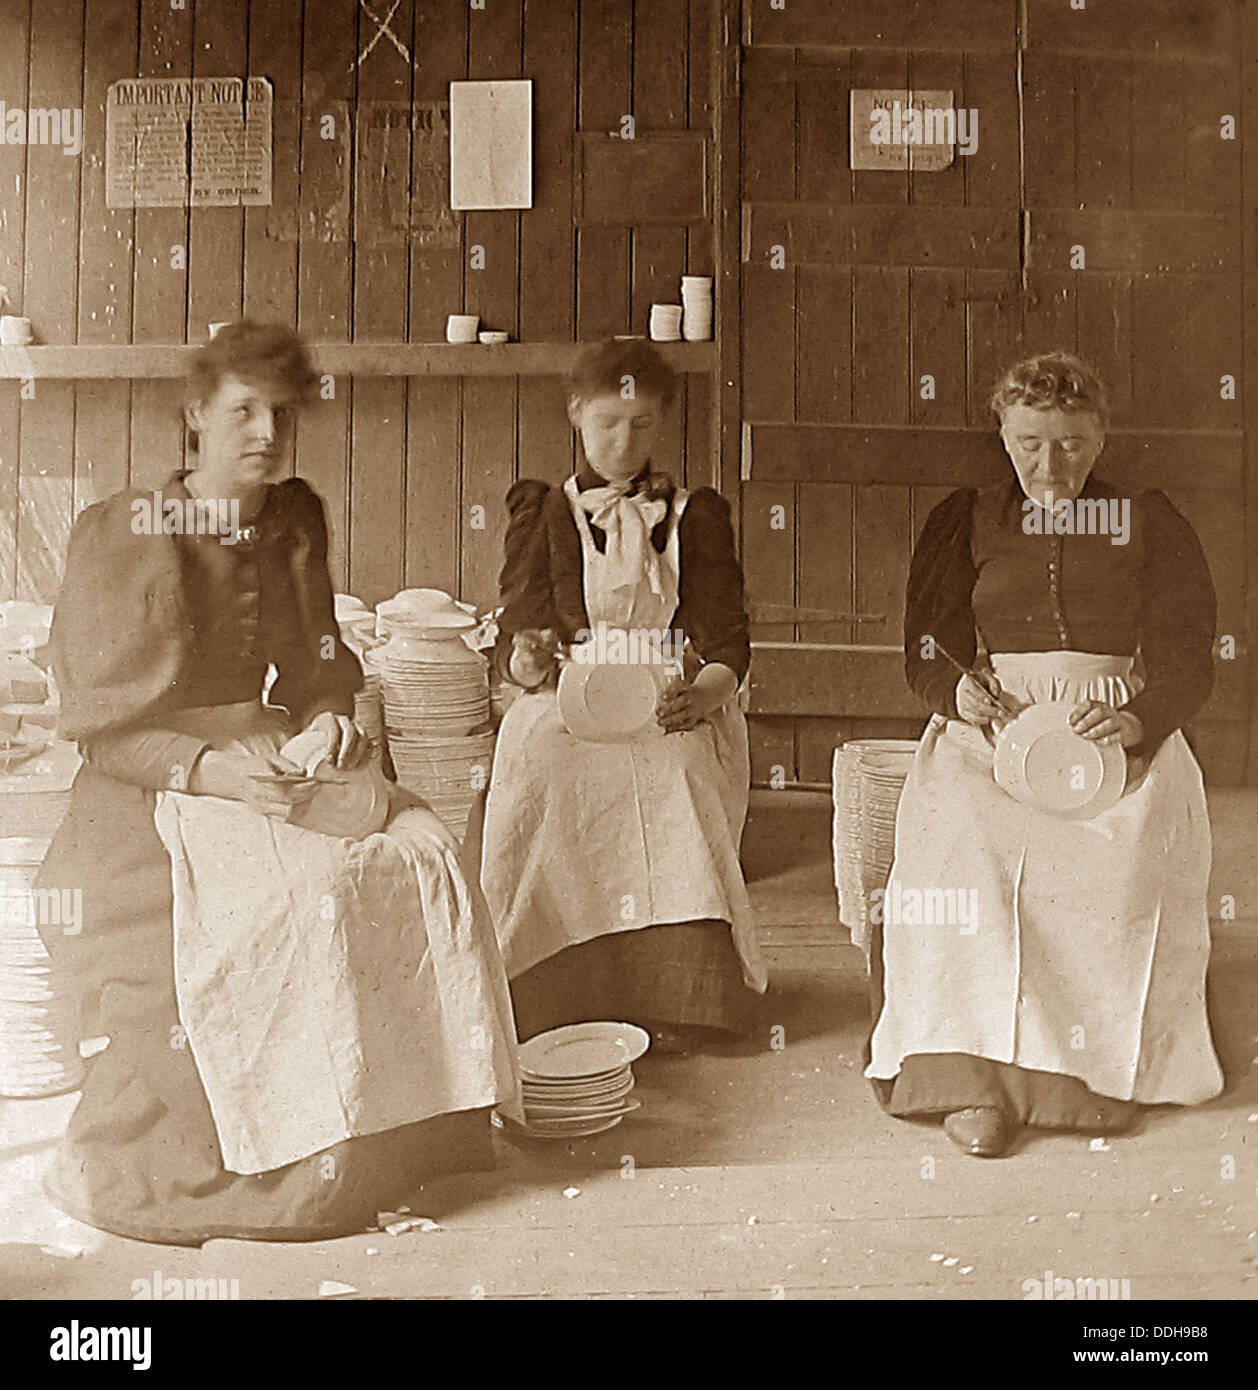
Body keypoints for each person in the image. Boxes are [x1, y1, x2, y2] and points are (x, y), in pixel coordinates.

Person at [36, 320, 518, 1244]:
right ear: (196, 418)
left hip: (273, 756)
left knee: (423, 858)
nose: (264, 433)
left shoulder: (291, 518)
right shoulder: (130, 532)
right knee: (299, 900)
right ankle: (278, 1152)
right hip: (156, 787)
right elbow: (102, 731)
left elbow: (322, 669)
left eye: (281, 416)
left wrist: (333, 718)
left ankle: (399, 1131)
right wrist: (210, 770)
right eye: (242, 412)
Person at [866, 351, 1224, 1156]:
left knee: (1128, 846)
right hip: (995, 731)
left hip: (1111, 725)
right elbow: (928, 646)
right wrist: (956, 693)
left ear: (1100, 439)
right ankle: (969, 1083)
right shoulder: (965, 516)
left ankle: (1091, 1077)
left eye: (1068, 443)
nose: (1047, 463)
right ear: (1002, 433)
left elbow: (1188, 657)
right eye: (1029, 442)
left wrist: (1139, 720)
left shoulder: (1147, 517)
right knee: (964, 847)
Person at [479, 338, 767, 1052]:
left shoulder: (696, 513)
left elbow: (728, 637)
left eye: (641, 425)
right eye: (607, 423)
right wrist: (526, 658)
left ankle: (680, 998)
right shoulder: (544, 510)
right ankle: (550, 989)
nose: (623, 442)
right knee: (543, 760)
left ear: (663, 422)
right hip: (569, 689)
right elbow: (520, 627)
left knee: (678, 774)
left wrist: (704, 695)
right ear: (576, 414)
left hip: (666, 690)